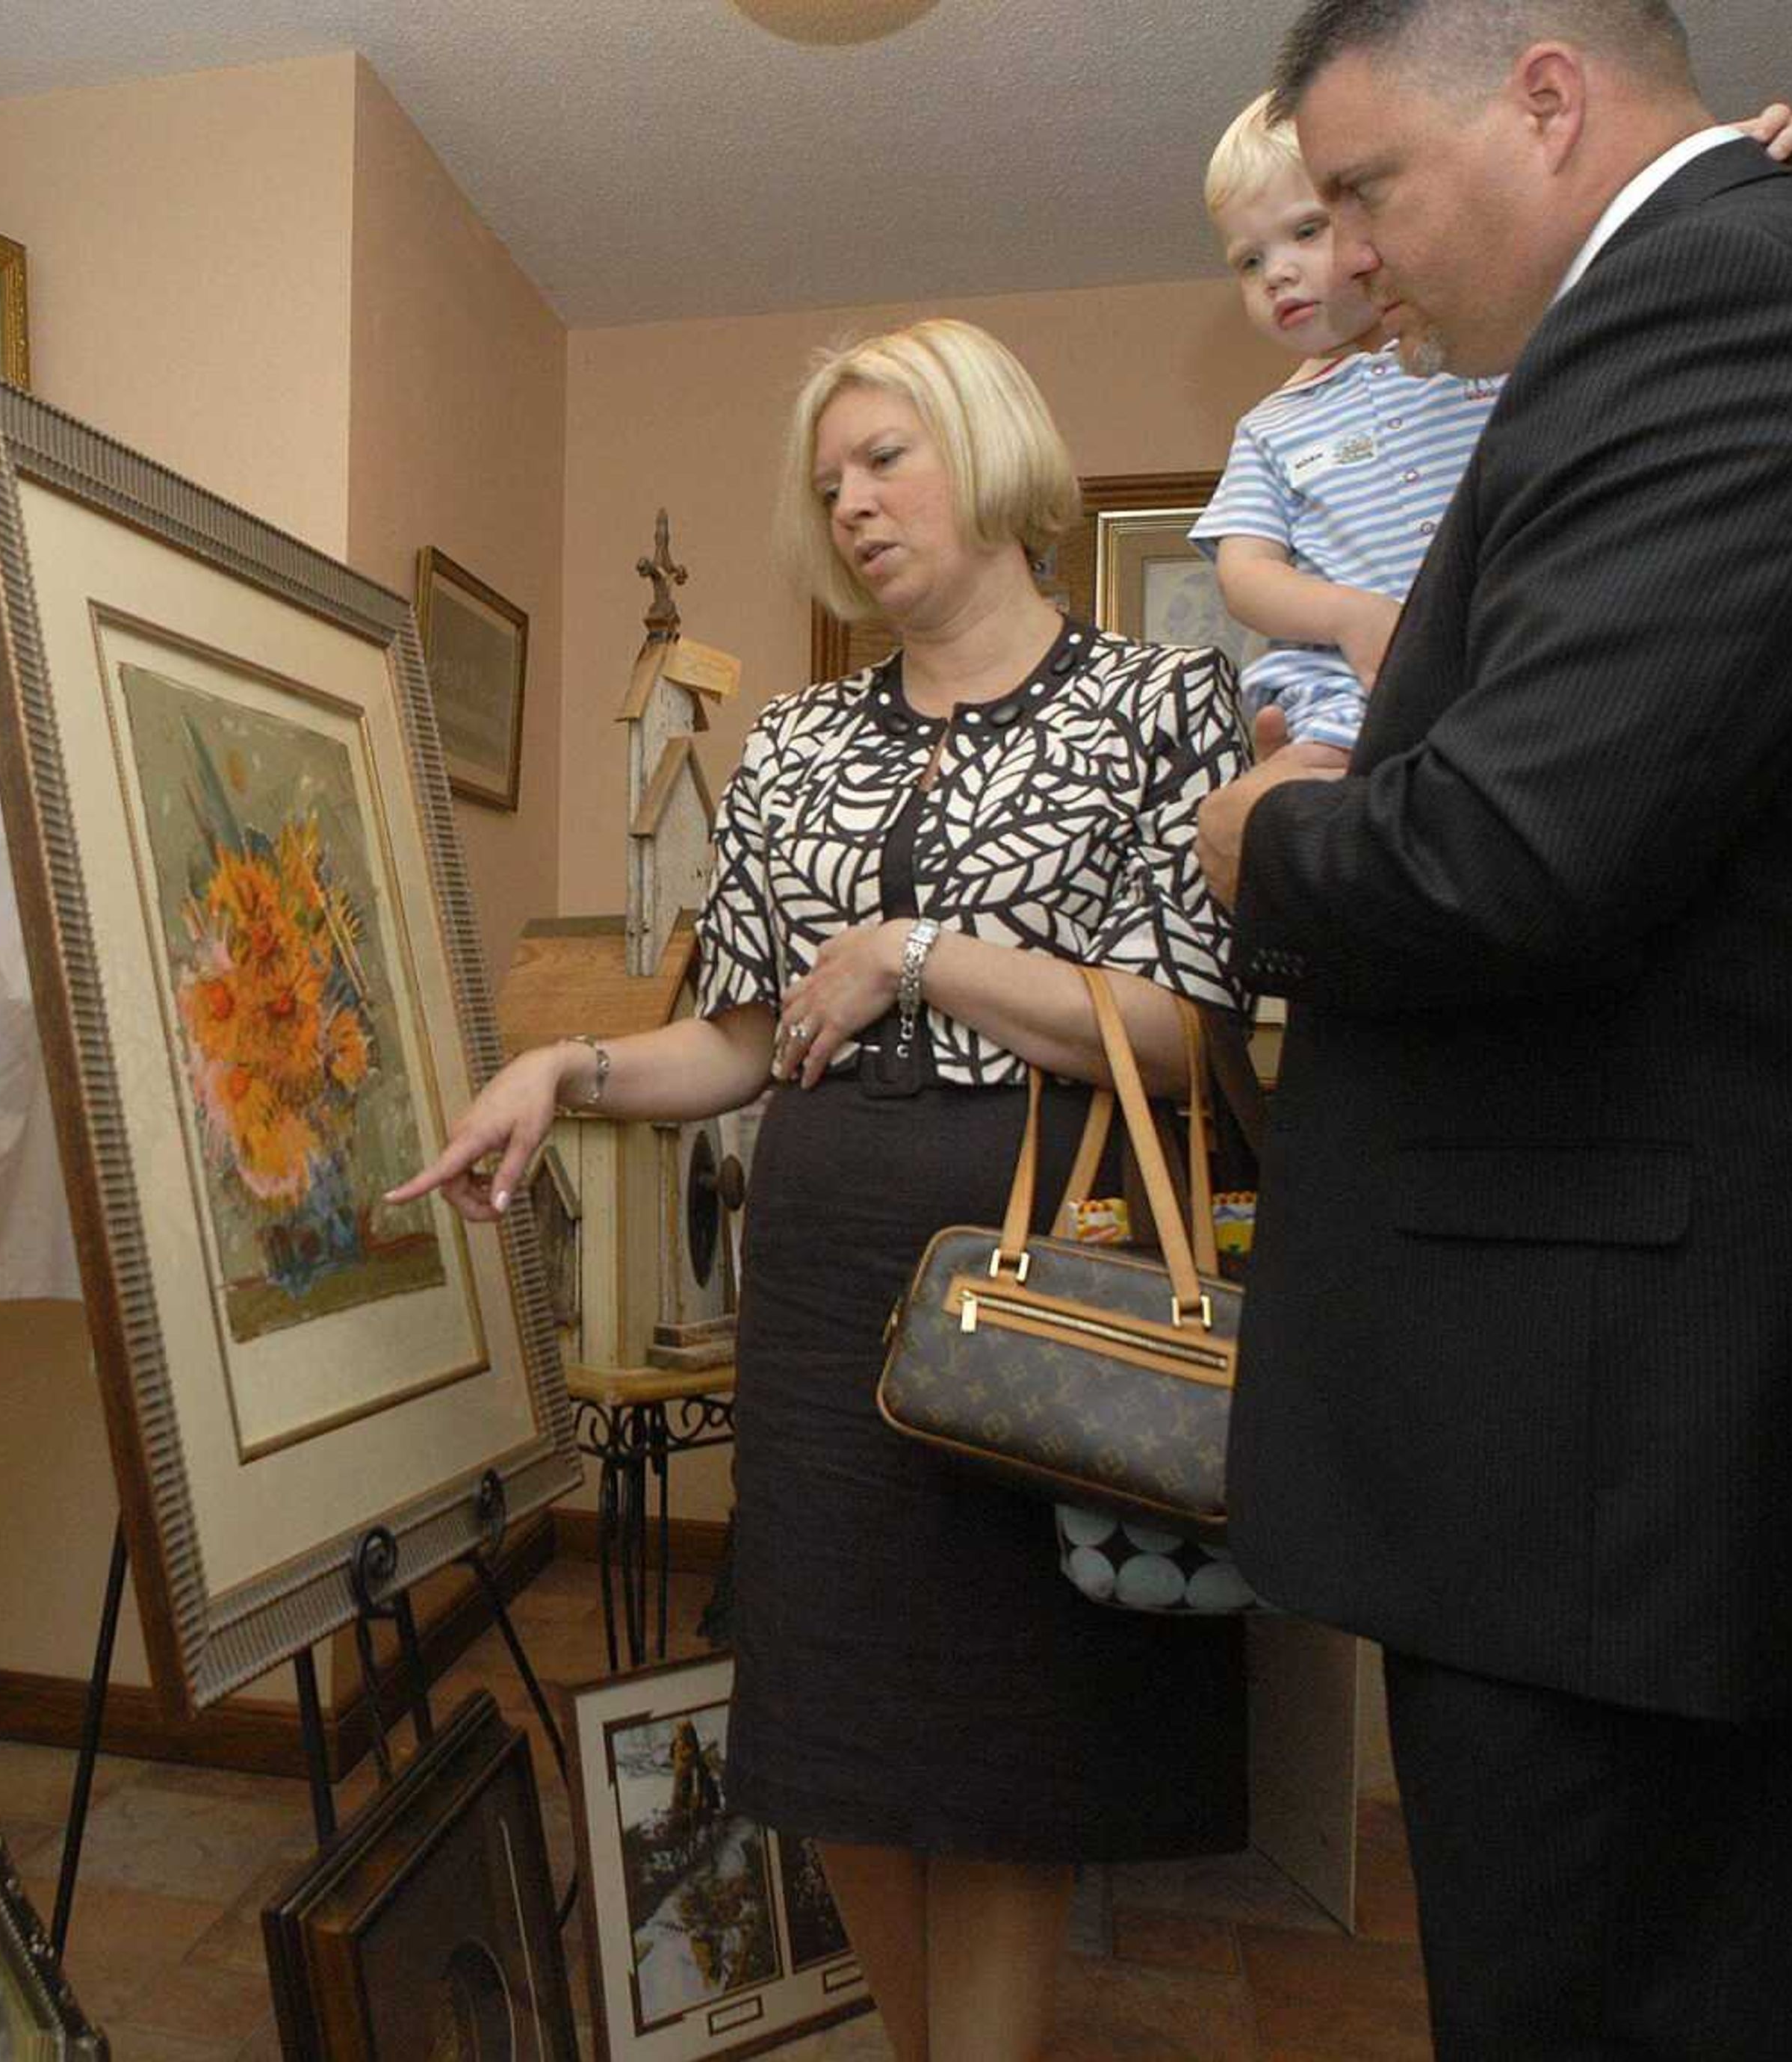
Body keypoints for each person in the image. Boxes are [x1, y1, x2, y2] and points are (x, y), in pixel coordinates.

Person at [1194, 3, 1792, 2055]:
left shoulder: (1731, 309)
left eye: (1364, 190)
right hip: (1627, 1453)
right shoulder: (1730, 300)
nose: (1344, 259)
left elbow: (1503, 855)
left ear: (1546, 96)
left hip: (1640, 1456)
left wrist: (1266, 835)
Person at [390, 318, 1252, 2061]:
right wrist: (568, 1074)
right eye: (827, 477)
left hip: (1033, 1272)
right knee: (838, 1722)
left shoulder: (1161, 705)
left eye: (887, 457)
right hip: (822, 1285)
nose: (851, 501)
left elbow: (1172, 1034)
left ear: (989, 456)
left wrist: (923, 955)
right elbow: (736, 1040)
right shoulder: (787, 747)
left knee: (1007, 1744)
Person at [1191, 90, 1792, 751]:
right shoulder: (1272, 425)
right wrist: (1353, 618)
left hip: (1531, 649)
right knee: (1316, 783)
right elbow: (1245, 573)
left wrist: (1739, 162)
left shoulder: (1487, 343)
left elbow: (1613, 241)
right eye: (1249, 260)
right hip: (1355, 686)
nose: (1277, 275)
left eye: (1305, 231)